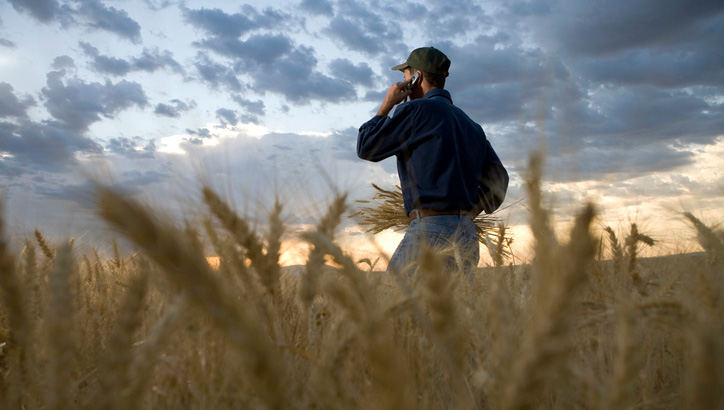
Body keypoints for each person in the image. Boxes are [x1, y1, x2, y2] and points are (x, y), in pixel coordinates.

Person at [357, 46, 505, 278]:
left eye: (405, 76)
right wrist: (467, 214)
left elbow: (367, 147)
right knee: (453, 310)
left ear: (418, 77)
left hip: (430, 228)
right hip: (466, 232)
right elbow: (499, 179)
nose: (403, 82)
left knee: (392, 305)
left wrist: (386, 105)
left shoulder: (416, 111)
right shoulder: (471, 125)